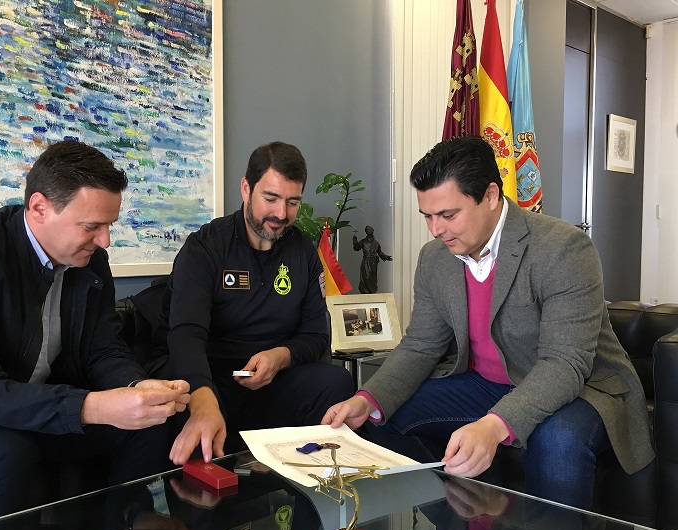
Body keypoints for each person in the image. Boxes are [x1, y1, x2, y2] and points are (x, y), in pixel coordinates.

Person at [323, 135, 654, 510]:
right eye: (427, 216)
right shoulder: (434, 258)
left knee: (557, 440)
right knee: (385, 415)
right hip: (488, 384)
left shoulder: (563, 249)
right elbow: (420, 346)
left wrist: (495, 424)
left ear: (491, 195)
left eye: (448, 215)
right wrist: (366, 399)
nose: (435, 230)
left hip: (582, 388)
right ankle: (467, 523)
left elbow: (565, 363)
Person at [0, 140, 190, 529]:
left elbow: (103, 349)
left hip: (24, 409)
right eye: (91, 226)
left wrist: (137, 389)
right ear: (40, 208)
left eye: (109, 225)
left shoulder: (91, 262)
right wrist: (92, 406)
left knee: (148, 424)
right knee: (3, 455)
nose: (105, 241)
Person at [150, 141, 355, 465]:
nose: (281, 214)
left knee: (337, 382)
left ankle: (303, 482)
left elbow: (316, 336)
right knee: (183, 397)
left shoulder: (303, 252)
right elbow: (186, 334)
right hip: (209, 376)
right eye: (270, 199)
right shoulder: (205, 247)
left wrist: (280, 357)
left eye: (292, 202)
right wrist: (203, 398)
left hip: (270, 380)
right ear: (246, 188)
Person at [352, 225, 393, 293]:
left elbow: (379, 252)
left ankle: (372, 290)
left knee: (373, 277)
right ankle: (365, 290)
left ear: (372, 231)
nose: (368, 231)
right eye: (367, 230)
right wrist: (355, 241)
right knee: (366, 276)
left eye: (369, 229)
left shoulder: (376, 243)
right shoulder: (363, 241)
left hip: (373, 262)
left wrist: (386, 257)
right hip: (366, 260)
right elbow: (356, 248)